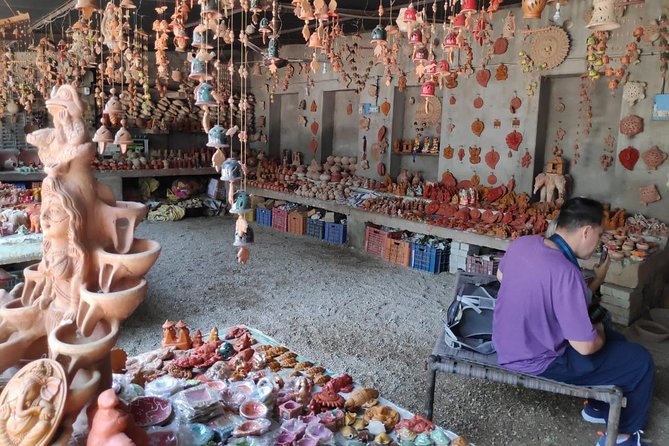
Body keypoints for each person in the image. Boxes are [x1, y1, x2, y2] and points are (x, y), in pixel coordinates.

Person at [492, 197, 655, 446]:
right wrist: (597, 329)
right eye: (599, 235)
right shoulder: (567, 272)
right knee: (640, 361)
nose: (598, 242)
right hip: (538, 360)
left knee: (617, 340)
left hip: (505, 343)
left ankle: (597, 408)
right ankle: (623, 437)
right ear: (586, 231)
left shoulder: (523, 244)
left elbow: (501, 275)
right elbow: (585, 347)